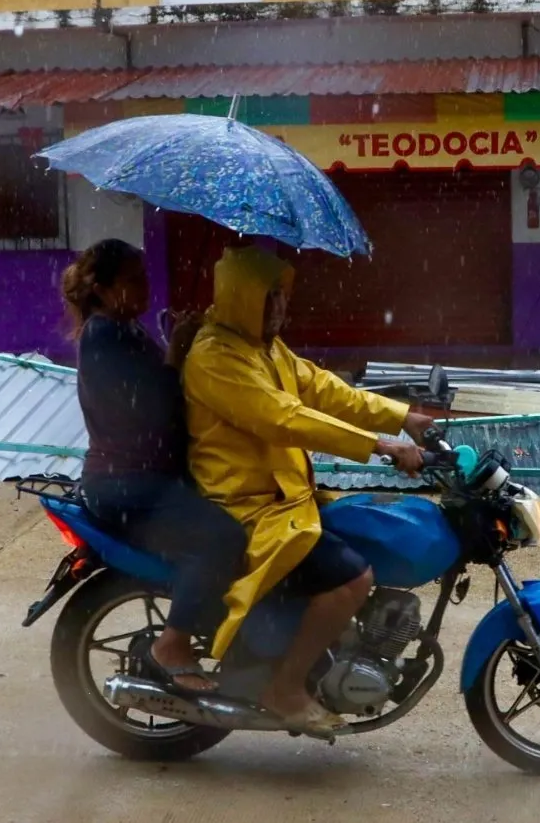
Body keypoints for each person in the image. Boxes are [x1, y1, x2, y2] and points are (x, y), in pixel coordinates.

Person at [182, 244, 433, 734]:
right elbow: (283, 417)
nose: (280, 308)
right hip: (249, 506)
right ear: (241, 299)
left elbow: (324, 390)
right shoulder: (216, 357)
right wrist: (380, 445)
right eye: (268, 298)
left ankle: (326, 654)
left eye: (282, 296)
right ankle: (285, 686)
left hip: (285, 497)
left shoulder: (264, 348)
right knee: (352, 580)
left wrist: (404, 417)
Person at [63, 239, 246, 693]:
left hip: (144, 478)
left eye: (145, 277)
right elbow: (150, 406)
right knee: (223, 537)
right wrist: (179, 350)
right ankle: (174, 643)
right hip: (128, 485)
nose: (145, 288)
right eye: (133, 280)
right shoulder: (106, 334)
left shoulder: (124, 329)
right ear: (102, 290)